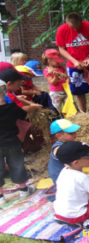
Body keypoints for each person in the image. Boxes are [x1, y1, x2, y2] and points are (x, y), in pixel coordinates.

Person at [56, 12, 89, 113]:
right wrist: (74, 61)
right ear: (67, 23)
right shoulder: (62, 30)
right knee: (79, 91)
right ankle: (84, 114)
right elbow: (61, 49)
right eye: (72, 27)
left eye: (78, 27)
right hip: (74, 65)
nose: (75, 29)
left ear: (81, 21)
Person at [0, 76, 35, 204]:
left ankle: (0, 198)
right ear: (4, 92)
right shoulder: (13, 108)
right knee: (17, 165)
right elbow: (24, 115)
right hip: (12, 142)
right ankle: (23, 190)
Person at [48, 119, 81, 184]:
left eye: (74, 132)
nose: (75, 134)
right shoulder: (58, 148)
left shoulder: (67, 143)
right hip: (61, 179)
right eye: (71, 133)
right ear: (59, 136)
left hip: (69, 175)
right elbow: (59, 152)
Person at [42, 49, 68, 114]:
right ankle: (58, 118)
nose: (59, 62)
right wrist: (56, 77)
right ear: (49, 61)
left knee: (68, 106)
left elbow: (66, 77)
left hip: (65, 90)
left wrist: (68, 79)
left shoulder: (61, 68)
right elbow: (53, 83)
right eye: (57, 61)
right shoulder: (47, 71)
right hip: (56, 93)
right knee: (56, 108)